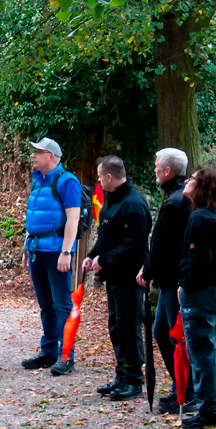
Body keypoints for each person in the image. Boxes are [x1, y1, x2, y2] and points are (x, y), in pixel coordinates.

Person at [84, 156, 152, 401]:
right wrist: (93, 256)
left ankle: (133, 379)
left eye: (101, 177)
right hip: (114, 276)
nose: (99, 182)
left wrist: (106, 259)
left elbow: (132, 245)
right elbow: (106, 237)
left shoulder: (133, 205)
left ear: (110, 177)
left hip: (129, 276)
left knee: (128, 326)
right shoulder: (114, 202)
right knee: (117, 326)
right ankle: (122, 374)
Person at [136, 148, 196, 415]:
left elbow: (162, 246)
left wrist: (147, 271)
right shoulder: (179, 197)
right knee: (162, 331)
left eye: (157, 166)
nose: (155, 170)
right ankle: (180, 386)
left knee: (177, 337)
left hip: (175, 278)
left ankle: (187, 391)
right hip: (173, 278)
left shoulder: (176, 201)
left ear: (168, 171)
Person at [178, 167, 216, 429]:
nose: (187, 181)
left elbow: (198, 262)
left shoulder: (199, 218)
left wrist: (185, 286)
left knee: (202, 350)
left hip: (203, 292)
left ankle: (210, 410)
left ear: (201, 186)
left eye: (192, 178)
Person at [20, 137, 82, 376]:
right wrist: (27, 248)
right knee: (46, 305)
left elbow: (73, 218)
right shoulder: (38, 182)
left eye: (38, 152)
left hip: (57, 252)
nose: (33, 156)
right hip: (37, 251)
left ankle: (66, 356)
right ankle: (48, 352)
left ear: (52, 157)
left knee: (62, 305)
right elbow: (32, 219)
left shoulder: (67, 181)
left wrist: (67, 251)